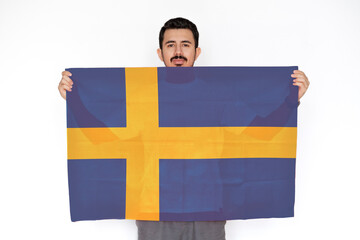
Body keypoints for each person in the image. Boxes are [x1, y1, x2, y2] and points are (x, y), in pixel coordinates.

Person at [58, 17, 310, 240]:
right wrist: (75, 101)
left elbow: (260, 133)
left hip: (208, 209)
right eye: (171, 45)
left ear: (197, 51)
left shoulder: (217, 96)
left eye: (185, 45)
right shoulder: (143, 97)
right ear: (160, 53)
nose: (178, 51)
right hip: (154, 210)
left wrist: (290, 100)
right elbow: (101, 137)